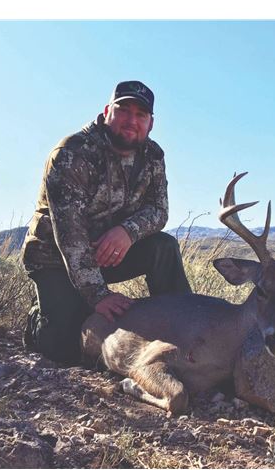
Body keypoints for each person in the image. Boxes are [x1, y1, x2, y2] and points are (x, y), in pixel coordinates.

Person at [21, 80, 192, 364]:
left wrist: (127, 231)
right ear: (106, 112)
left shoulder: (153, 156)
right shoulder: (71, 153)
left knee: (164, 247)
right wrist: (98, 295)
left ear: (150, 123)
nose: (131, 121)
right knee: (65, 351)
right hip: (55, 259)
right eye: (123, 110)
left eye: (140, 115)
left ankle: (186, 327)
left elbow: (159, 210)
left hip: (108, 252)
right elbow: (70, 235)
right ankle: (40, 318)